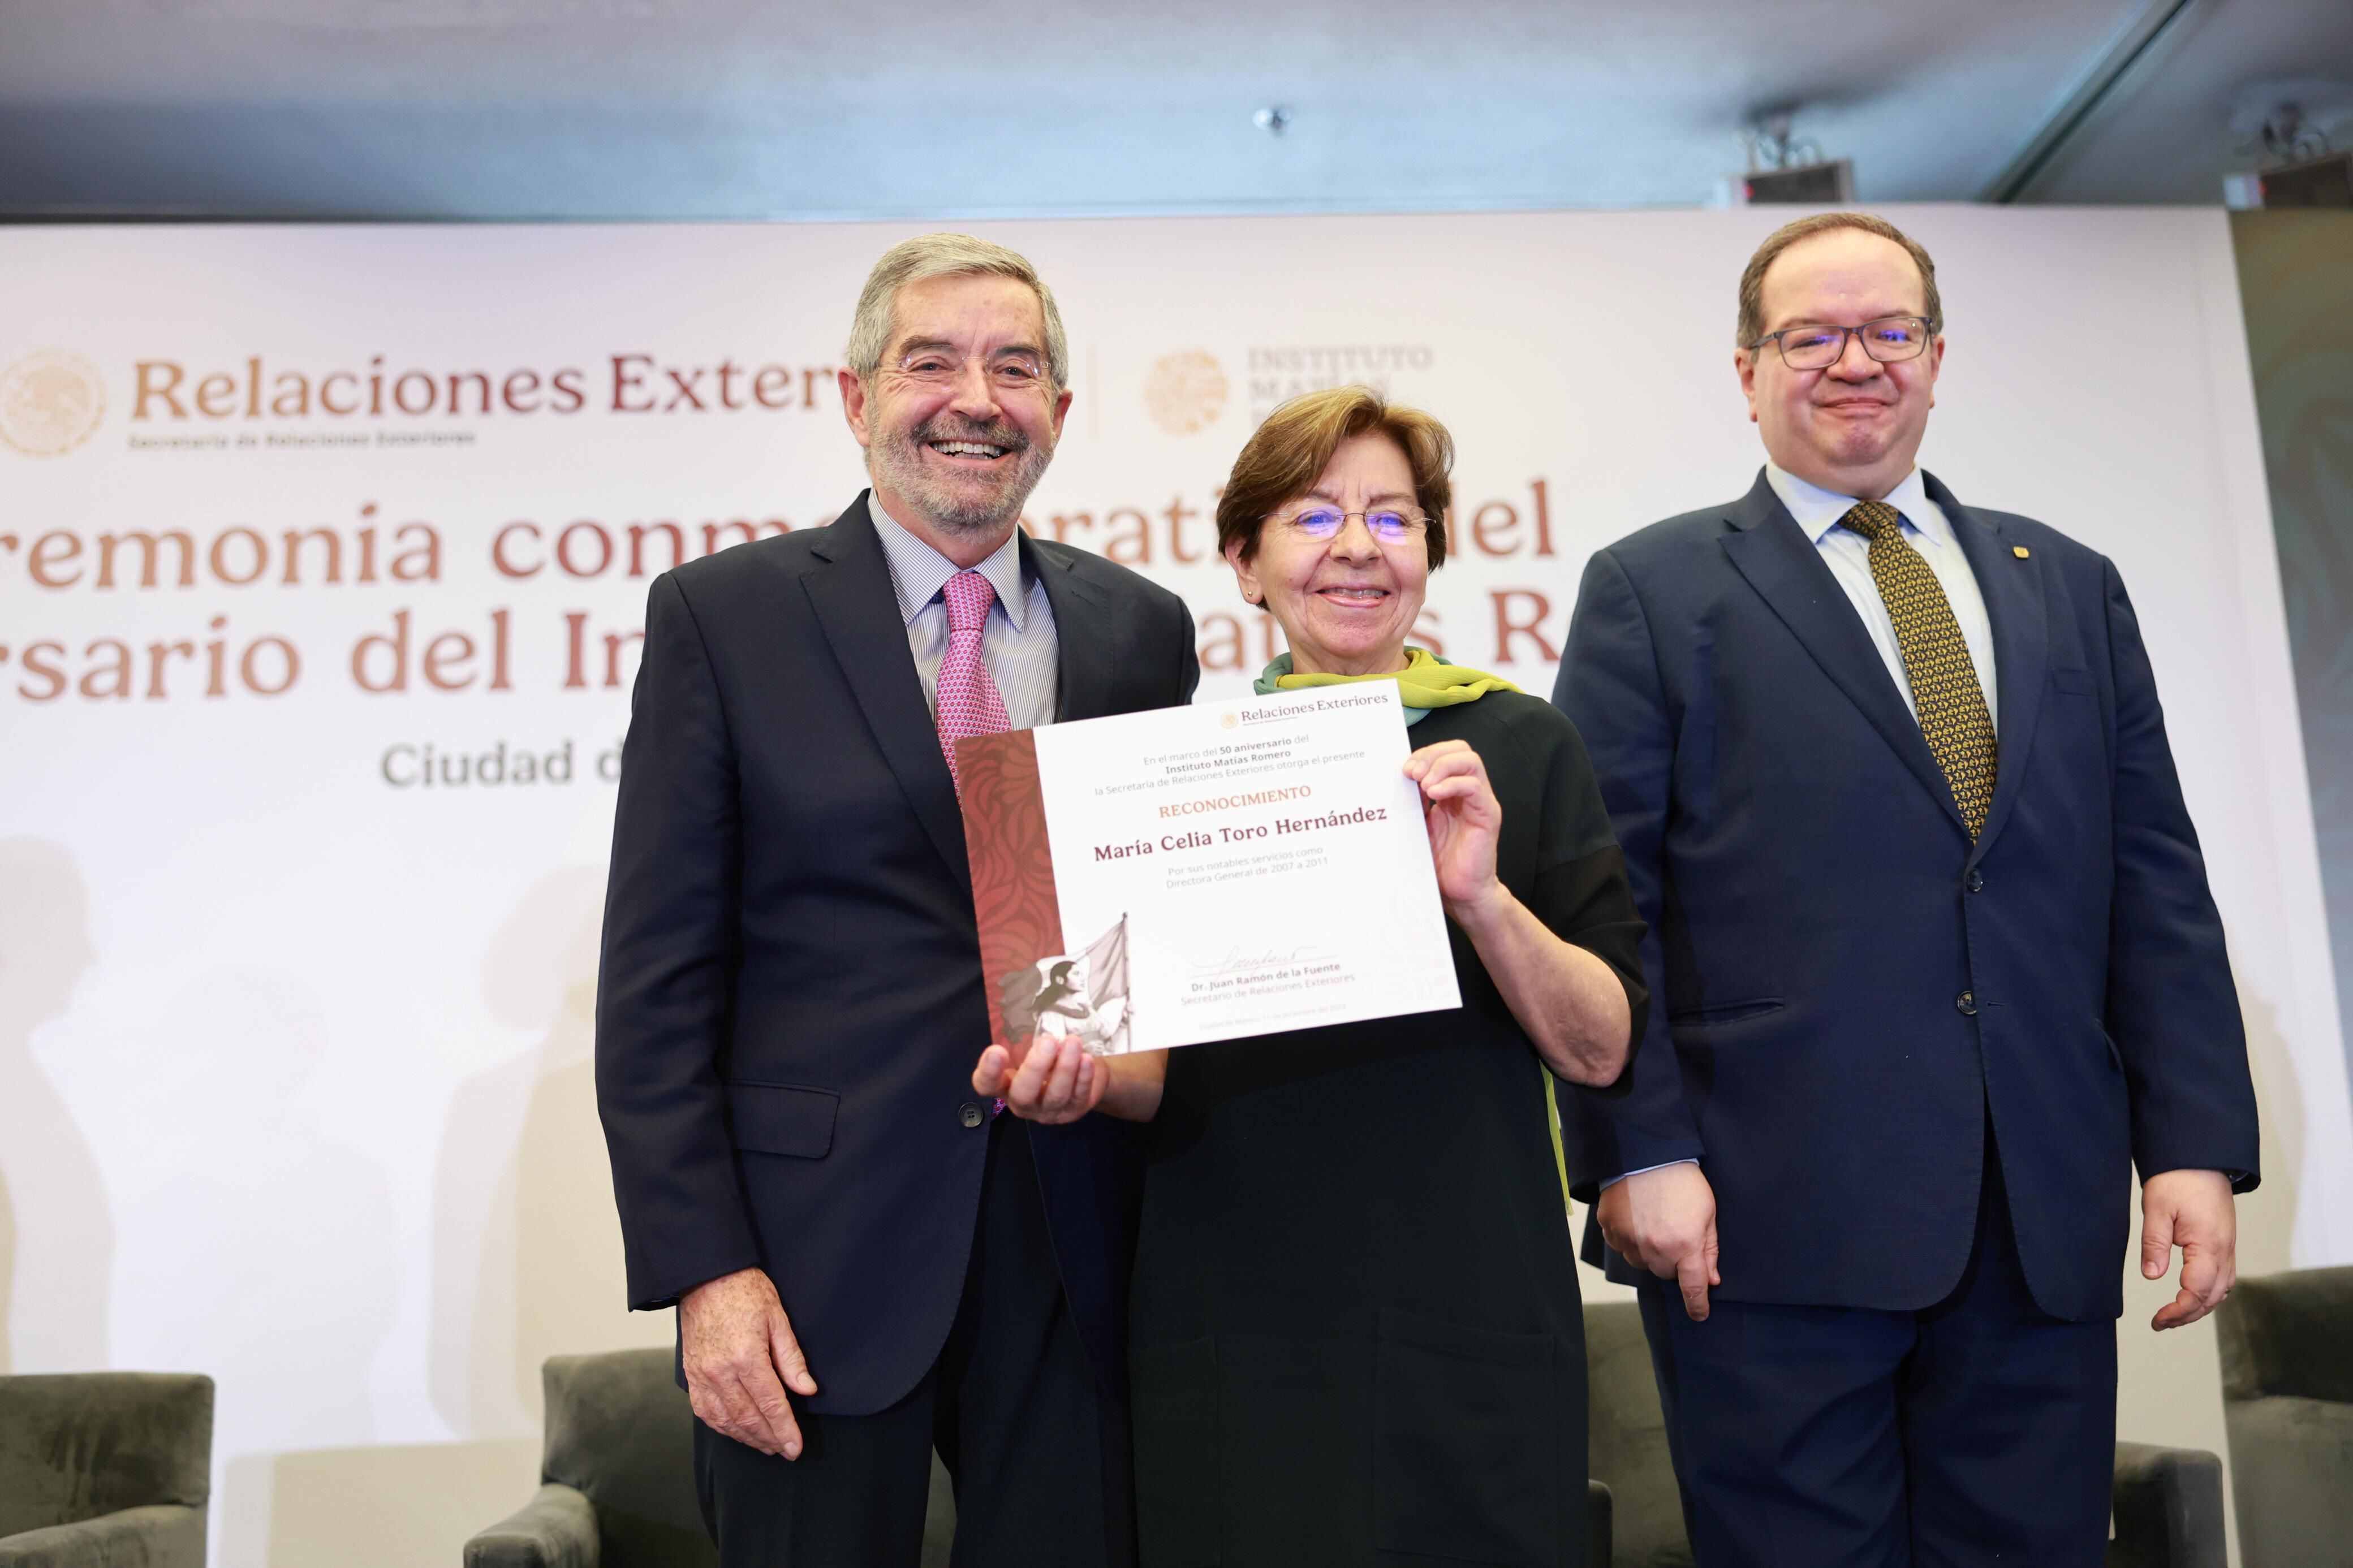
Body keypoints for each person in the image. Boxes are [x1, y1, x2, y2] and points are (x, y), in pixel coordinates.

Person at [1553, 211, 2261, 1565]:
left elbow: (2153, 877)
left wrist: (2190, 1141)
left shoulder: (2067, 583)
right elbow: (1605, 903)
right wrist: (1639, 1150)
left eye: (1886, 331)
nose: (1852, 361)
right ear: (1747, 371)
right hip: (1766, 1222)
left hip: (2035, 1214)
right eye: (1809, 335)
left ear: (1937, 358)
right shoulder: (1652, 589)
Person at [595, 232, 1199, 1568]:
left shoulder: (1138, 629)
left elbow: (1123, 929)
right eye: (931, 361)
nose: (975, 398)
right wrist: (706, 1273)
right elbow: (657, 981)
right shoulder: (724, 616)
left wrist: (1090, 1050)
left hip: (1076, 1247)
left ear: (1059, 412)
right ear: (856, 394)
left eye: (1016, 367)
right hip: (813, 1263)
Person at [975, 385, 1646, 1566]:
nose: (1355, 549)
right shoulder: (1170, 771)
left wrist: (1482, 898)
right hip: (1231, 1314)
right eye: (1310, 517)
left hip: (1466, 1297)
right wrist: (1062, 1072)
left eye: (1392, 519)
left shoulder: (1522, 746)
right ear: (1244, 561)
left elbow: (1600, 1049)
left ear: (1432, 551)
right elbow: (1142, 1072)